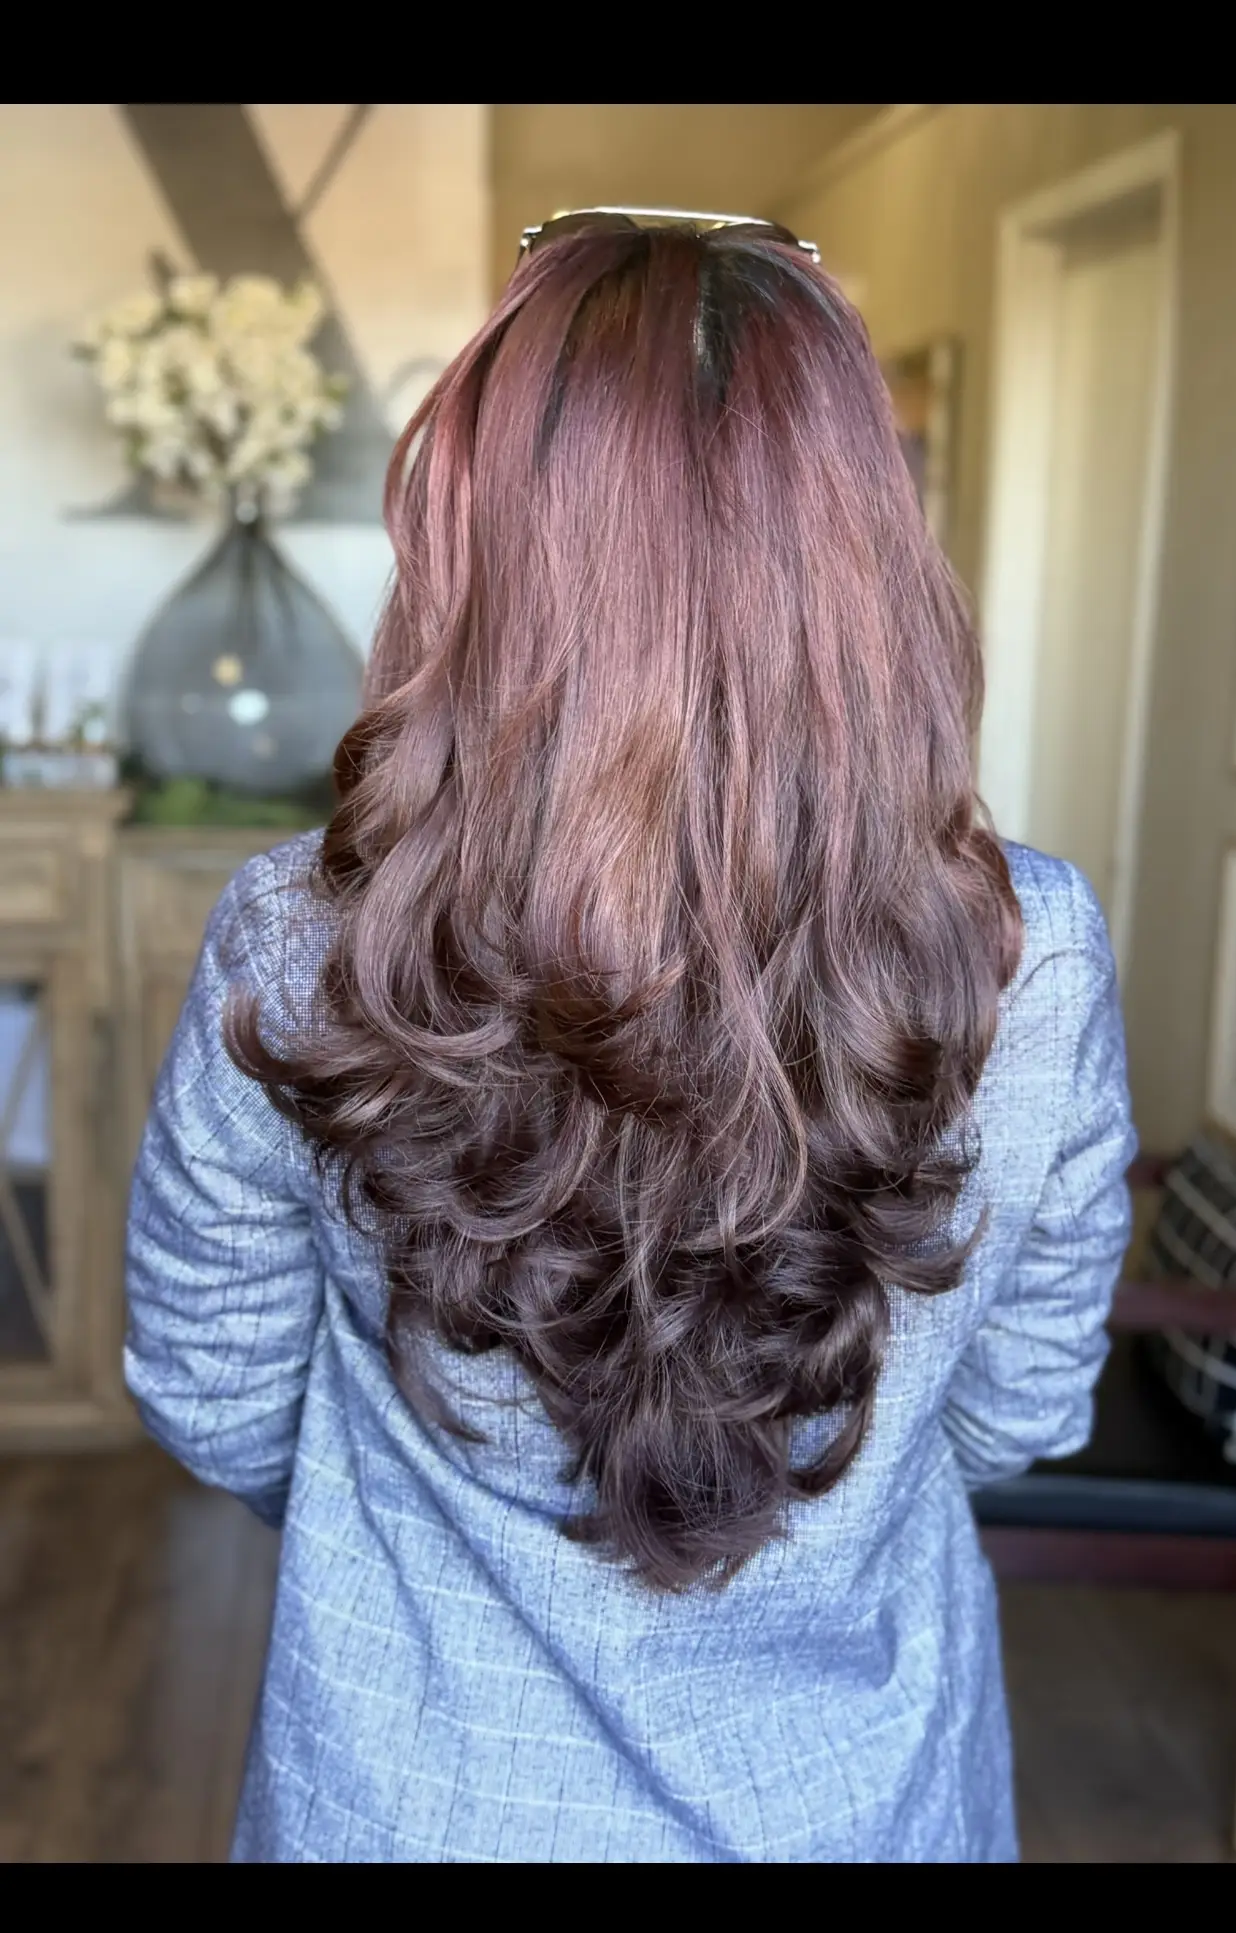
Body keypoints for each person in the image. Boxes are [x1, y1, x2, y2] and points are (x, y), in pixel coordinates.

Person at [123, 210, 1137, 1864]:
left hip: (414, 1798)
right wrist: (818, 1519)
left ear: (478, 546)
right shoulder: (1033, 955)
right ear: (862, 554)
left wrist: (440, 1531)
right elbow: (1016, 1411)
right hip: (854, 1800)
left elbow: (212, 1389)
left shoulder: (302, 936)